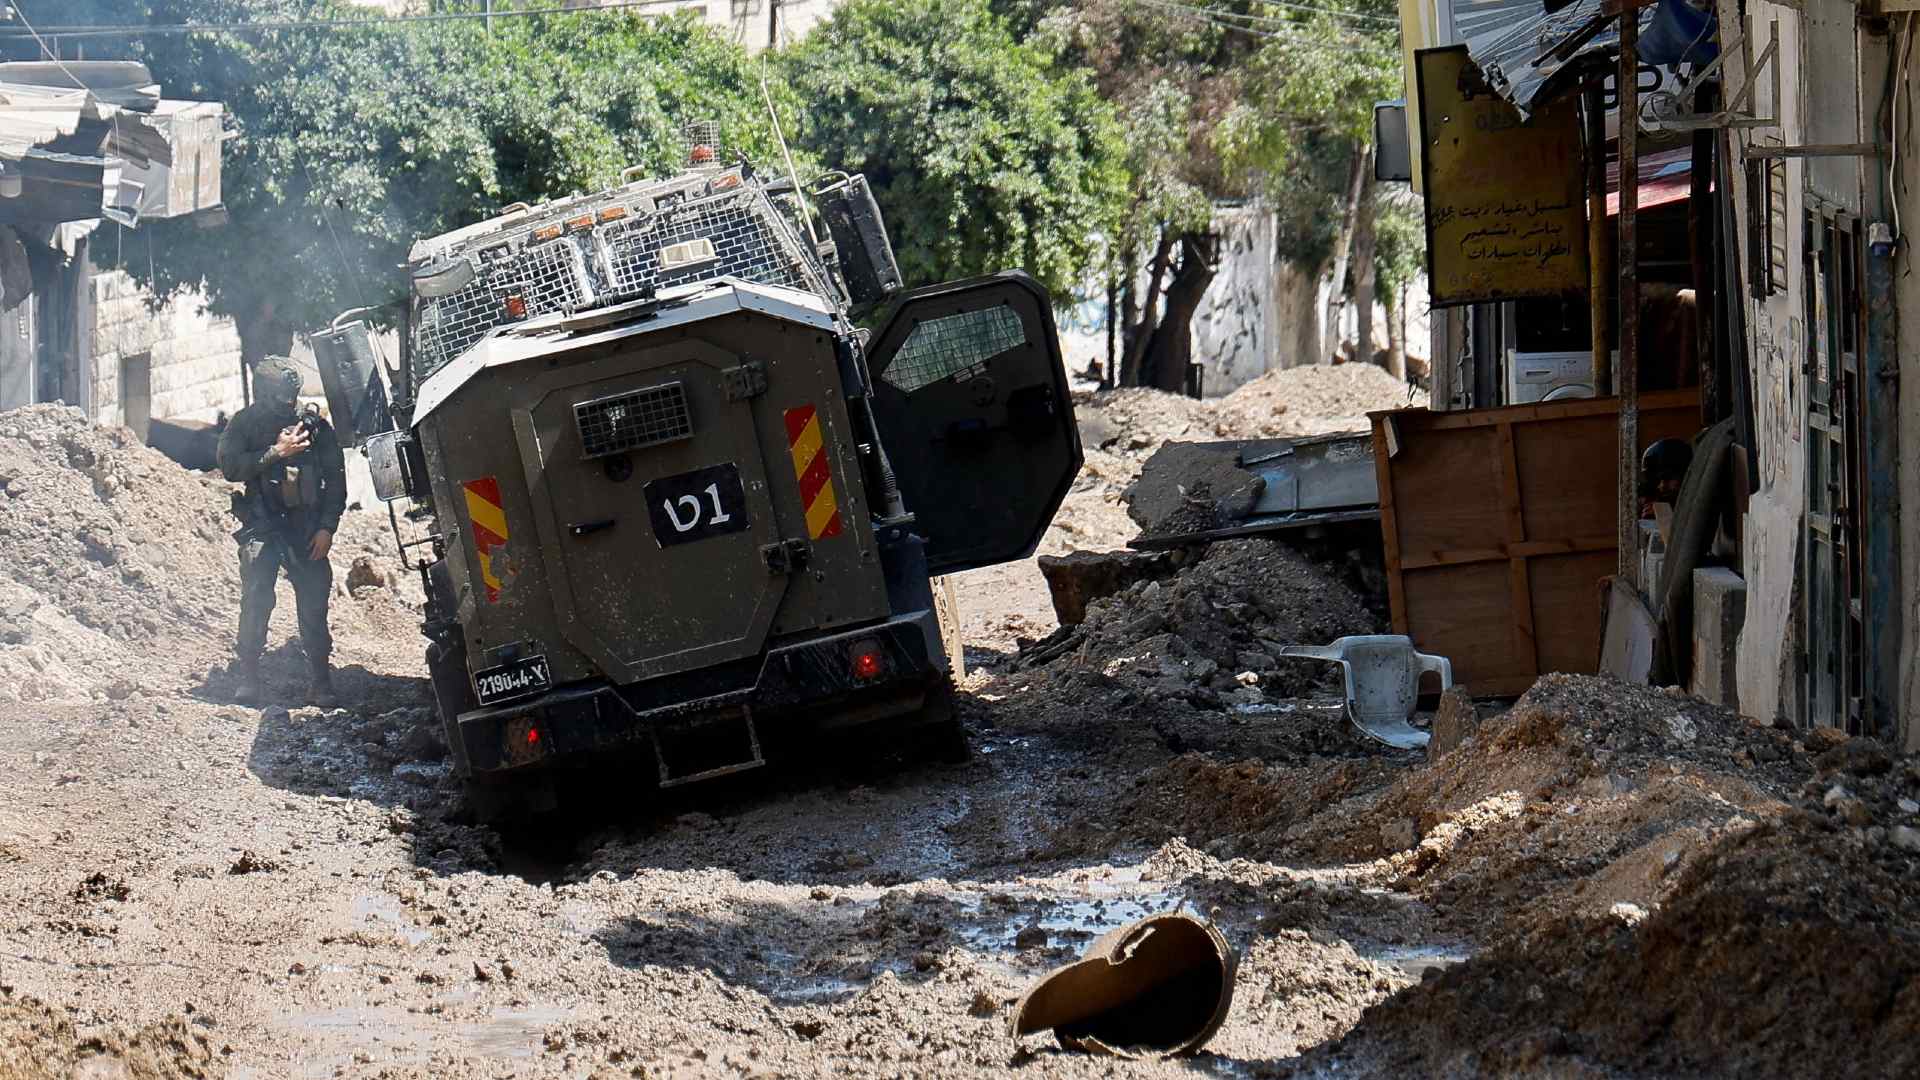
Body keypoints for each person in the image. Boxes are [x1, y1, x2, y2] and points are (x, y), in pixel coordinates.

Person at [216, 357, 346, 707]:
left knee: (314, 600)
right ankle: (249, 676)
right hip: (262, 523)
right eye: (279, 396)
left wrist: (326, 528)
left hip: (305, 526)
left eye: (291, 396)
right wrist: (276, 452)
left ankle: (320, 680)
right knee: (257, 594)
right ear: (263, 393)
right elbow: (229, 467)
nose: (287, 403)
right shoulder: (245, 424)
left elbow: (335, 479)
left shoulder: (314, 426)